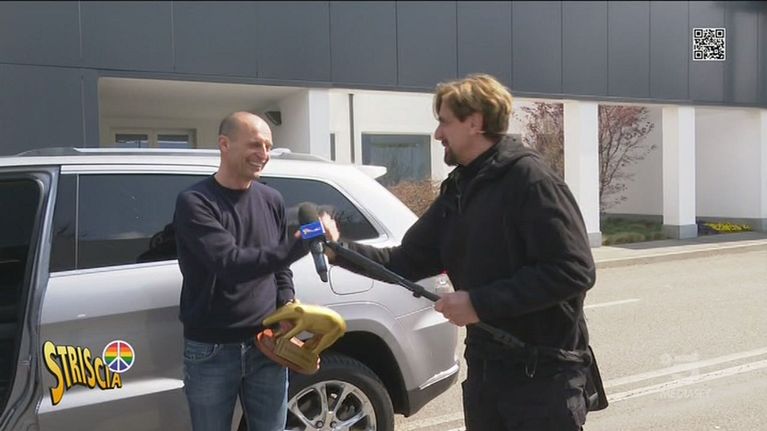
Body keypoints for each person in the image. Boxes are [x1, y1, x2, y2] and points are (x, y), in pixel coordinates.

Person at [320, 74, 596, 430]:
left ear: (475, 123)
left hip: (543, 377)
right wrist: (337, 250)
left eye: (444, 122)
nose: (438, 134)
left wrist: (478, 303)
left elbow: (573, 270)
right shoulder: (460, 188)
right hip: (487, 372)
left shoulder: (530, 180)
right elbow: (405, 261)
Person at [174, 111, 308, 431]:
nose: (264, 154)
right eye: (255, 145)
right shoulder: (195, 202)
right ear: (224, 144)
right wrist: (300, 243)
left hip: (267, 343)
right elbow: (231, 264)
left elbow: (279, 266)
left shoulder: (271, 199)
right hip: (212, 349)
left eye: (268, 146)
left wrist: (286, 302)